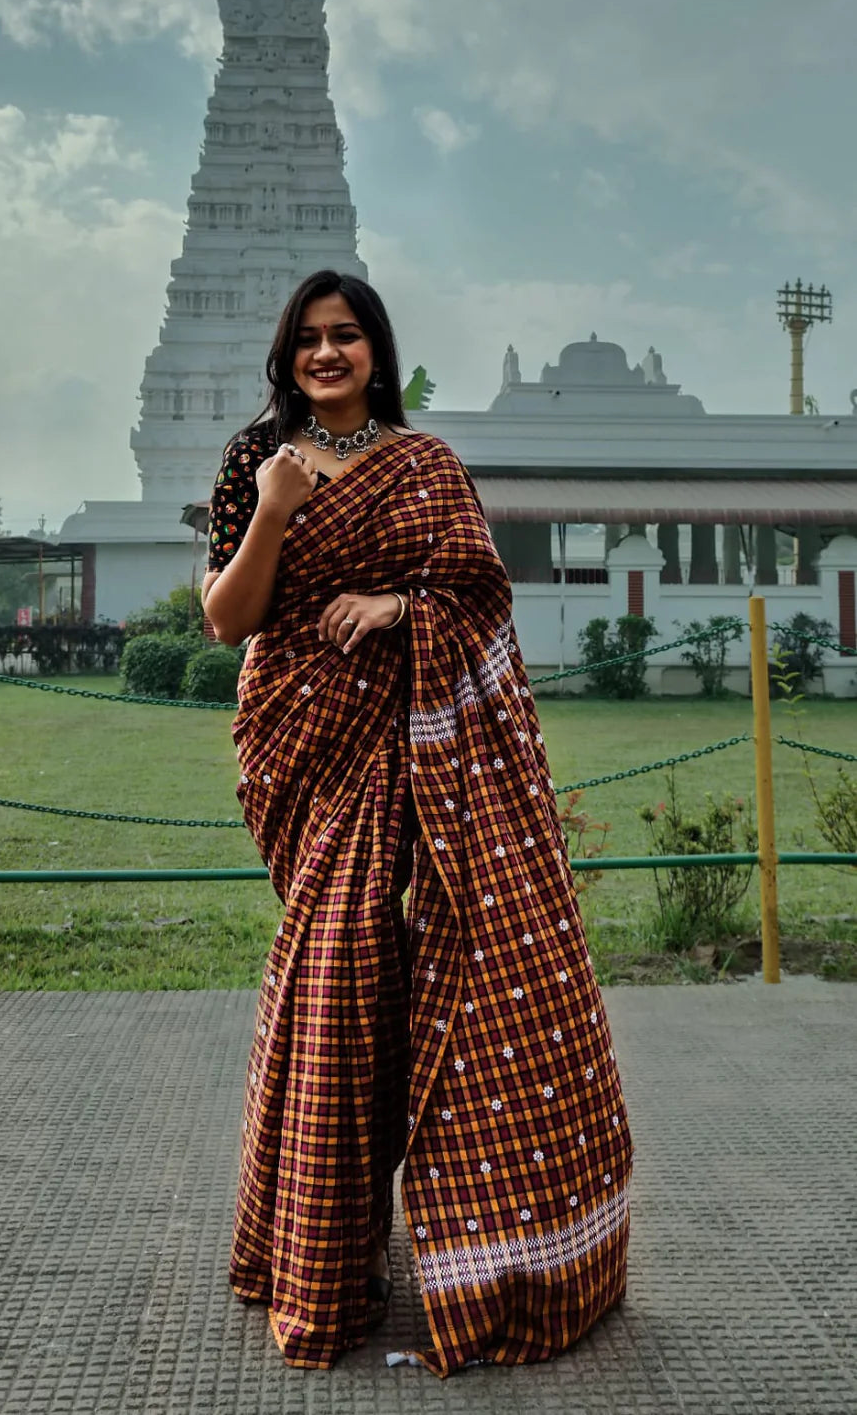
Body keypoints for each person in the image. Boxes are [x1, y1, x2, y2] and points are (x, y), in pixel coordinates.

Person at [202, 270, 632, 1375]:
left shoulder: (426, 463)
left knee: (423, 975)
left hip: (427, 749)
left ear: (376, 351)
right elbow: (226, 616)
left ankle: (509, 1253)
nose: (326, 354)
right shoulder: (261, 460)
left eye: (345, 336)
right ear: (285, 354)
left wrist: (401, 606)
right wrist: (274, 512)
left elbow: (479, 595)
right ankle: (322, 1264)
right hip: (305, 744)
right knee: (338, 977)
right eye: (307, 339)